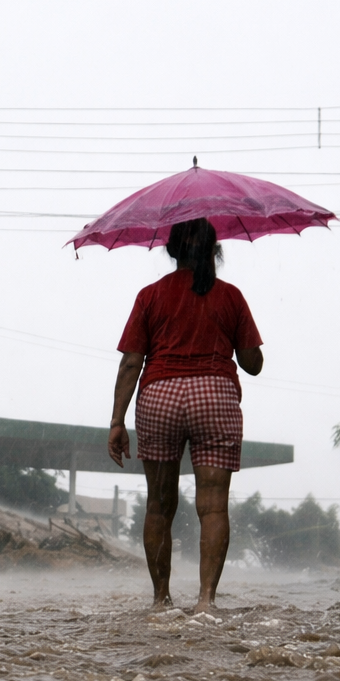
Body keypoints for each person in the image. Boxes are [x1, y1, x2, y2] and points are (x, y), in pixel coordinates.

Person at [107, 217, 264, 612]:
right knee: (212, 506)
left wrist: (116, 421)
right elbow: (253, 364)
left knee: (159, 506)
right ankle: (206, 602)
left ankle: (161, 600)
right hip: (214, 396)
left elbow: (131, 363)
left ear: (173, 250)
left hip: (159, 396)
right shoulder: (231, 297)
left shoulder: (150, 296)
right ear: (215, 251)